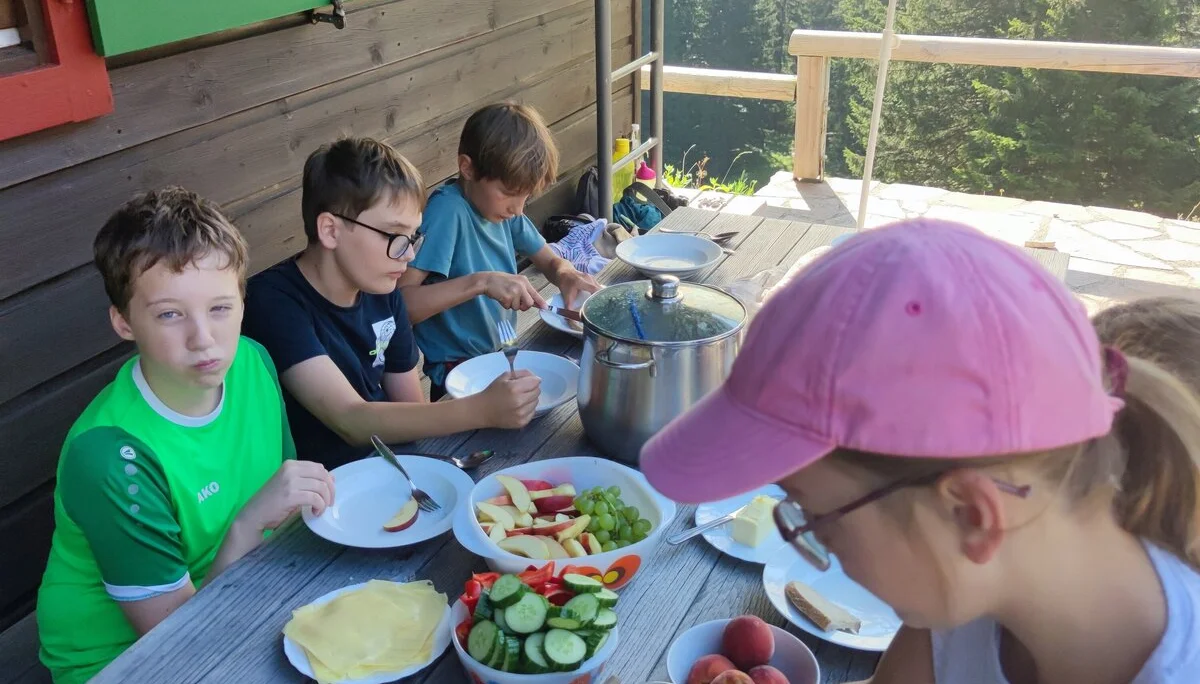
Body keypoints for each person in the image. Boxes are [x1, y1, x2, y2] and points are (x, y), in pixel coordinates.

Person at [640, 220, 1200, 684]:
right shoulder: (966, 586)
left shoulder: (957, 570)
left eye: (816, 520)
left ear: (971, 515)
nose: (816, 542)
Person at [37, 188, 336, 684]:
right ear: (124, 322)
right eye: (170, 314)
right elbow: (179, 642)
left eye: (220, 308)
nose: (204, 339)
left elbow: (286, 519)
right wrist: (247, 524)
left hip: (240, 592)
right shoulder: (112, 457)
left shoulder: (253, 364)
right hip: (124, 659)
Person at [243, 137, 541, 468]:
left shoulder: (384, 293)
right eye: (394, 236)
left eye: (413, 236)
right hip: (324, 494)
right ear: (330, 230)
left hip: (391, 468)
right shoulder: (274, 303)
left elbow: (412, 412)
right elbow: (351, 420)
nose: (410, 253)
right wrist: (481, 409)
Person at [398, 103, 600, 399]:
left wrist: (566, 275)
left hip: (499, 357)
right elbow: (400, 305)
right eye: (508, 193)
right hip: (459, 376)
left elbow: (549, 260)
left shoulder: (501, 209)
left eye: (526, 196)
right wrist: (482, 282)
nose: (518, 208)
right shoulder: (449, 210)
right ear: (467, 168)